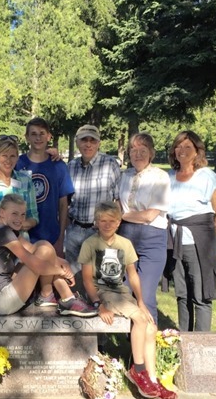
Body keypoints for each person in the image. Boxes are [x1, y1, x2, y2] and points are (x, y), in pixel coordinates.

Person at [79, 201, 176, 399]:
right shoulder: (90, 244)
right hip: (104, 293)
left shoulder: (125, 243)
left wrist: (141, 301)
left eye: (112, 221)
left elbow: (132, 275)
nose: (107, 225)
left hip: (121, 293)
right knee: (139, 319)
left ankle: (152, 379)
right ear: (96, 222)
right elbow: (87, 279)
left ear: (119, 222)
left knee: (151, 326)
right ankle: (137, 370)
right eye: (103, 221)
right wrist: (98, 303)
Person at [0, 194, 95, 317]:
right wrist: (62, 271)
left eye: (23, 214)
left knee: (43, 245)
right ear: (2, 213)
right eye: (14, 213)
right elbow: (36, 265)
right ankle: (67, 299)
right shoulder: (2, 232)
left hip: (4, 290)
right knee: (43, 252)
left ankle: (47, 295)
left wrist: (61, 261)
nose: (19, 219)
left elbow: (32, 248)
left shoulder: (6, 230)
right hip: (0, 301)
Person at [167, 130, 216, 332]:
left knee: (200, 296)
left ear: (197, 151)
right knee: (182, 294)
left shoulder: (207, 177)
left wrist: (206, 239)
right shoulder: (169, 177)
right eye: (178, 146)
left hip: (197, 243)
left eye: (187, 147)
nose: (182, 150)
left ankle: (201, 342)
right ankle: (184, 339)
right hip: (174, 243)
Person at [118, 132, 170, 325]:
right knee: (125, 293)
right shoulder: (125, 176)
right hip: (125, 237)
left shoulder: (160, 176)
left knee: (145, 296)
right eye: (133, 150)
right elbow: (117, 203)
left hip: (152, 238)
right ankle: (131, 340)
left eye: (143, 150)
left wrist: (122, 216)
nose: (137, 154)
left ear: (151, 153)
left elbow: (150, 215)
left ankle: (149, 340)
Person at [65, 124, 121, 273]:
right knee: (73, 276)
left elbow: (118, 200)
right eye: (84, 140)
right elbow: (66, 200)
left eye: (93, 140)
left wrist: (113, 228)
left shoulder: (110, 164)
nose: (88, 144)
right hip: (74, 230)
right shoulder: (70, 167)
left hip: (100, 231)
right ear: (77, 142)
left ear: (98, 143)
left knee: (101, 275)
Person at [16, 117, 74, 257]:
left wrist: (60, 238)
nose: (38, 138)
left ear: (48, 136)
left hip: (51, 236)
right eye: (33, 134)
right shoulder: (18, 164)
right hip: (23, 236)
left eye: (42, 133)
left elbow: (63, 205)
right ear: (27, 137)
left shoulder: (58, 166)